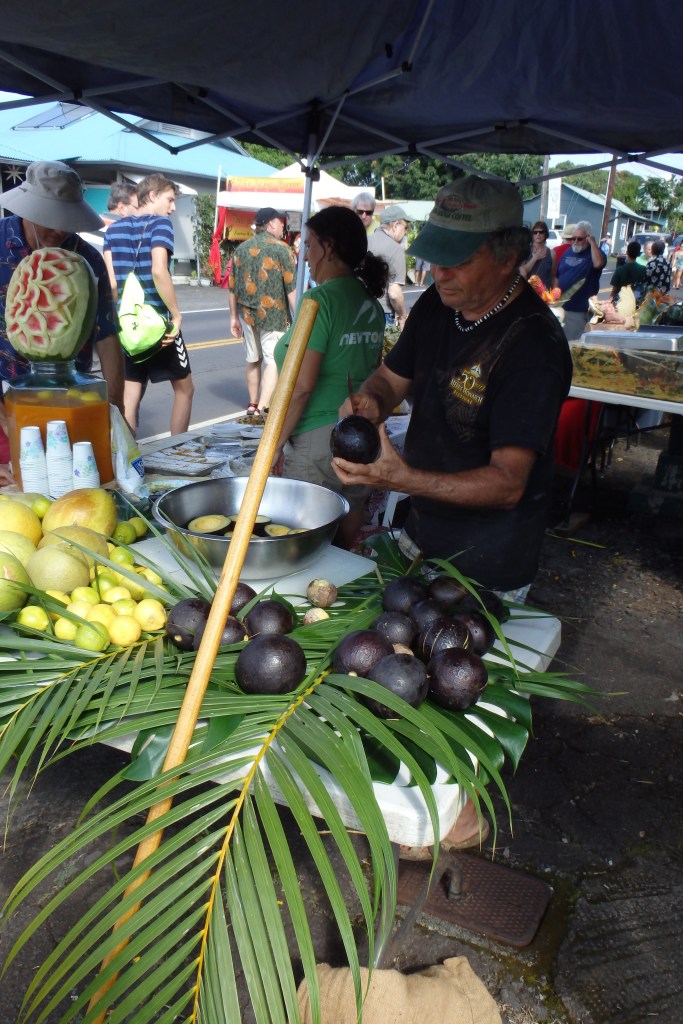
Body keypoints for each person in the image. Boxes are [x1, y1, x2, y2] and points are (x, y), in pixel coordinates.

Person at [332, 175, 572, 857]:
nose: (436, 271)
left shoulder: (531, 345)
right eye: (434, 254)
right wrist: (370, 408)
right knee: (394, 670)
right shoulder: (439, 307)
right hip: (420, 535)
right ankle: (392, 798)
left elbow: (505, 484)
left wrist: (396, 476)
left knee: (460, 685)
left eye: (456, 259)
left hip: (490, 553)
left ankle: (461, 817)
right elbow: (388, 379)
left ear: (510, 254)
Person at [272, 207, 388, 548]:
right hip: (361, 434)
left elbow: (301, 387)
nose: (305, 256)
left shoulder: (318, 302)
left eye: (309, 246)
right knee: (344, 537)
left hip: (316, 440)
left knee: (300, 545)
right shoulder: (371, 305)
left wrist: (274, 443)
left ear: (328, 247)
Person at [0, 160, 124, 464]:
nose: (58, 228)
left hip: (69, 402)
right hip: (6, 402)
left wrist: (116, 411)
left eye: (66, 219)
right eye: (49, 218)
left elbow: (107, 337)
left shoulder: (88, 259)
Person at [104, 173, 194, 437]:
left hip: (127, 325)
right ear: (152, 196)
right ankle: (178, 451)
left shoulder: (113, 230)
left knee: (130, 395)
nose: (173, 207)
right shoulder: (161, 225)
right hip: (159, 324)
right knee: (185, 389)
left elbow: (111, 284)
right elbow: (159, 270)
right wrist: (176, 316)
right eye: (170, 199)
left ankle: (131, 458)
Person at [228, 208, 296, 417]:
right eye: (281, 223)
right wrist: (300, 317)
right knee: (273, 360)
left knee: (252, 359)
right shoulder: (283, 250)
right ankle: (264, 407)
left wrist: (233, 317)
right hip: (274, 316)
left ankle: (252, 403)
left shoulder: (241, 250)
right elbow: (292, 289)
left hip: (247, 314)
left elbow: (232, 288)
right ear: (272, 224)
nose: (283, 227)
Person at [553, 220, 606, 341]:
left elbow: (598, 264)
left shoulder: (595, 253)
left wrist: (592, 243)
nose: (575, 241)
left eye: (580, 239)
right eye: (573, 238)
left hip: (577, 310)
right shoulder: (568, 251)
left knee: (571, 344)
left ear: (587, 238)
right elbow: (557, 275)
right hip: (561, 308)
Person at [367, 205, 412, 327]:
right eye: (405, 227)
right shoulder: (395, 249)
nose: (406, 231)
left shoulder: (364, 241)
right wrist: (403, 315)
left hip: (356, 310)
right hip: (382, 314)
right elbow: (394, 293)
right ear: (396, 226)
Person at [520, 220, 556, 288]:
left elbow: (552, 276)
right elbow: (522, 271)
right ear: (532, 234)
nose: (538, 234)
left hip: (544, 293)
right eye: (535, 232)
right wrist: (535, 257)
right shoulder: (526, 250)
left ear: (545, 234)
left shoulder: (552, 253)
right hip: (529, 291)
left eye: (541, 232)